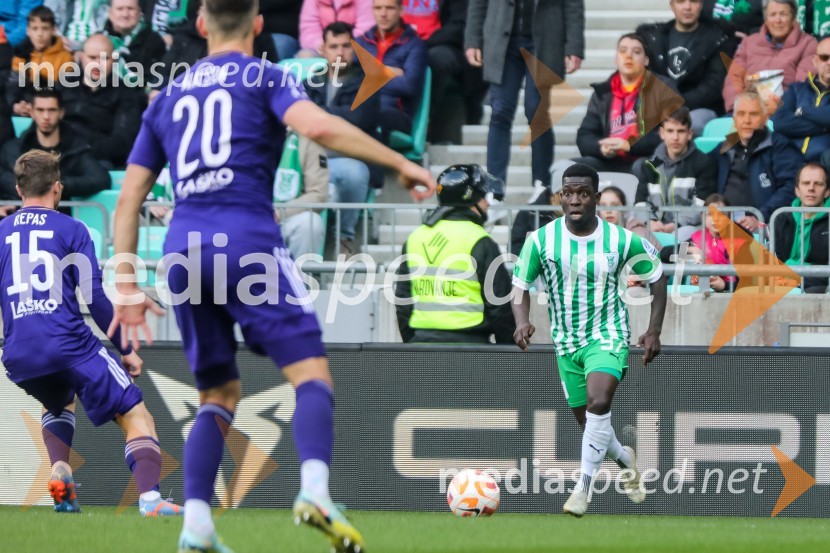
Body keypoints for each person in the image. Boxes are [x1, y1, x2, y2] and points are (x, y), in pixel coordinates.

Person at [109, 2, 435, 553]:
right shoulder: (265, 75)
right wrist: (401, 164)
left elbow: (129, 198)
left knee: (218, 391)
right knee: (311, 376)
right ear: (259, 25)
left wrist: (124, 283)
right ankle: (313, 492)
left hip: (182, 252)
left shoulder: (166, 96)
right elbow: (320, 125)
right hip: (246, 242)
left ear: (201, 24)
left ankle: (196, 524)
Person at [0, 149, 182, 517]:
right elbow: (94, 297)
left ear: (19, 190)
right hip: (69, 344)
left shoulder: (1, 231)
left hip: (19, 352)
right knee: (135, 412)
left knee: (58, 402)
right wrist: (126, 349)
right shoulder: (73, 229)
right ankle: (149, 500)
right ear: (58, 188)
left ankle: (60, 473)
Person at [511, 163, 667, 518]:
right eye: (569, 193)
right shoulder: (541, 240)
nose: (576, 200)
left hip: (608, 335)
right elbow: (519, 288)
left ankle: (582, 490)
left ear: (596, 198)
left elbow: (657, 277)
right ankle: (625, 457)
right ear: (561, 197)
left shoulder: (620, 239)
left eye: (583, 194)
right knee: (592, 426)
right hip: (566, 344)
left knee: (599, 402)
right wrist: (522, 321)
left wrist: (654, 329)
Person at [465, 0, 584, 188]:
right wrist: (472, 38)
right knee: (500, 112)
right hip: (501, 37)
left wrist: (574, 46)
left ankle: (541, 185)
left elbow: (573, 4)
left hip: (545, 37)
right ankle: (494, 189)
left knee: (536, 110)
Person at [395, 164, 515, 344]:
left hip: (420, 346)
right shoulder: (480, 240)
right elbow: (500, 307)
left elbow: (403, 303)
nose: (488, 202)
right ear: (470, 198)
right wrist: (508, 353)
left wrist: (412, 345)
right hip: (471, 348)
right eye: (483, 196)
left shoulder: (415, 238)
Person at [304, 21, 379, 256]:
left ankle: (344, 238)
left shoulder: (369, 81)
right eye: (334, 46)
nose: (340, 52)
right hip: (312, 157)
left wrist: (320, 114)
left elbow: (356, 121)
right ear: (323, 50)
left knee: (355, 173)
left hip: (349, 157)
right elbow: (299, 119)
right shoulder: (311, 80)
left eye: (346, 46)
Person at [572, 33, 681, 174]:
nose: (628, 56)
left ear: (646, 60)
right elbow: (585, 136)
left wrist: (629, 145)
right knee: (569, 168)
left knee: (641, 167)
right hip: (609, 161)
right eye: (623, 51)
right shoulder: (603, 92)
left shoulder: (663, 88)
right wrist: (602, 148)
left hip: (648, 160)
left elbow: (674, 133)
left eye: (636, 52)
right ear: (616, 59)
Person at [636, 0, 738, 135]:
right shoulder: (654, 37)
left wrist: (675, 104)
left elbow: (713, 86)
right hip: (660, 107)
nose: (688, 7)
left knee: (689, 126)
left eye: (694, 1)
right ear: (672, 5)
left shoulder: (719, 38)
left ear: (701, 5)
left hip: (699, 108)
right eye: (681, 1)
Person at [0, 88, 110, 203]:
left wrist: (59, 185)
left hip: (61, 216)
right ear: (31, 112)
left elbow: (100, 178)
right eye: (40, 110)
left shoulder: (75, 148)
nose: (46, 116)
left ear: (61, 113)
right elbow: (2, 177)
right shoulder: (14, 148)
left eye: (51, 110)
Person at [712, 91, 802, 231]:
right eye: (741, 114)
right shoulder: (723, 149)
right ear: (734, 119)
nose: (747, 120)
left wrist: (760, 217)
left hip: (765, 226)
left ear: (765, 118)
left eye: (753, 114)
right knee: (684, 247)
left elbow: (791, 187)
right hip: (721, 226)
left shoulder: (780, 146)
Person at [60, 34, 146, 168]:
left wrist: (79, 153)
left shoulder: (127, 95)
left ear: (115, 61)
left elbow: (122, 142)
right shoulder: (63, 85)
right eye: (92, 58)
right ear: (81, 57)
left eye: (105, 58)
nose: (97, 64)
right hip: (57, 154)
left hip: (95, 161)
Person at [635, 107, 717, 241]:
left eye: (681, 131)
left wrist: (674, 225)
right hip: (653, 226)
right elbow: (640, 202)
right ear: (662, 133)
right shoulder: (649, 164)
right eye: (670, 131)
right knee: (635, 234)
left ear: (689, 134)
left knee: (681, 237)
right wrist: (650, 222)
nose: (675, 137)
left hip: (689, 227)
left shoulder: (704, 162)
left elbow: (701, 204)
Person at [722, 0, 817, 115]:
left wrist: (779, 107)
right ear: (766, 19)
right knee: (719, 127)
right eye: (772, 15)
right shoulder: (749, 42)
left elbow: (803, 84)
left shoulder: (808, 43)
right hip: (745, 109)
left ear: (793, 18)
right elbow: (734, 78)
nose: (778, 20)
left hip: (784, 111)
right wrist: (737, 106)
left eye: (783, 14)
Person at [356, 0, 427, 141]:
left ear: (401, 10)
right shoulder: (360, 42)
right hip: (360, 108)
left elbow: (408, 87)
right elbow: (349, 81)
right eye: (378, 8)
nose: (383, 14)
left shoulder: (416, 45)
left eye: (389, 8)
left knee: (371, 117)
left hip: (396, 114)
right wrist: (386, 72)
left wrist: (369, 77)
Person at [5, 5, 74, 116]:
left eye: (45, 28)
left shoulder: (65, 58)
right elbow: (13, 87)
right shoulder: (21, 55)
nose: (40, 34)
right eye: (35, 28)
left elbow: (66, 94)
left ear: (53, 30)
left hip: (50, 112)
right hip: (24, 110)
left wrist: (36, 106)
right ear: (28, 31)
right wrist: (16, 104)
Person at [771, 36, 830, 163]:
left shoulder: (800, 103)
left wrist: (804, 111)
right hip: (788, 162)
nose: (829, 63)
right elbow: (780, 122)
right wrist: (825, 126)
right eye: (824, 58)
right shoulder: (795, 89)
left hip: (823, 166)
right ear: (815, 61)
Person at [773, 162, 830, 292]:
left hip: (817, 286)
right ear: (797, 190)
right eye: (806, 183)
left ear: (827, 192)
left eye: (818, 184)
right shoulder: (782, 218)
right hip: (784, 282)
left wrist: (798, 279)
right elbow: (776, 261)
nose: (811, 188)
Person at [274, 132, 328, 259]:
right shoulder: (243, 133)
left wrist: (278, 213)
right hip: (247, 214)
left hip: (285, 217)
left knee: (310, 224)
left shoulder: (306, 139)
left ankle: (300, 277)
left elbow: (317, 194)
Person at [103, 0, 167, 86]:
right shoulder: (99, 41)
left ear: (139, 12)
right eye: (119, 9)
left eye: (130, 9)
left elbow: (155, 81)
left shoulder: (154, 42)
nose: (125, 14)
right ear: (110, 13)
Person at [688, 193, 736, 292]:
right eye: (710, 214)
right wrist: (690, 249)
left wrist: (724, 285)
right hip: (699, 294)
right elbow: (665, 253)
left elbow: (751, 280)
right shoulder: (697, 237)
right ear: (703, 217)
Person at [298, 0, 374, 57]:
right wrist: (321, 45)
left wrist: (344, 44)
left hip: (353, 46)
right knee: (304, 56)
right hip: (321, 47)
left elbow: (366, 28)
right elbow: (308, 28)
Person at [599, 185, 662, 250]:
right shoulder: (595, 235)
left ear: (624, 208)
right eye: (603, 206)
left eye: (615, 205)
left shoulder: (638, 234)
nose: (608, 211)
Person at [510, 184, 562, 255]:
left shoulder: (579, 214)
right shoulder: (528, 213)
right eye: (565, 194)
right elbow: (515, 247)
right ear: (553, 195)